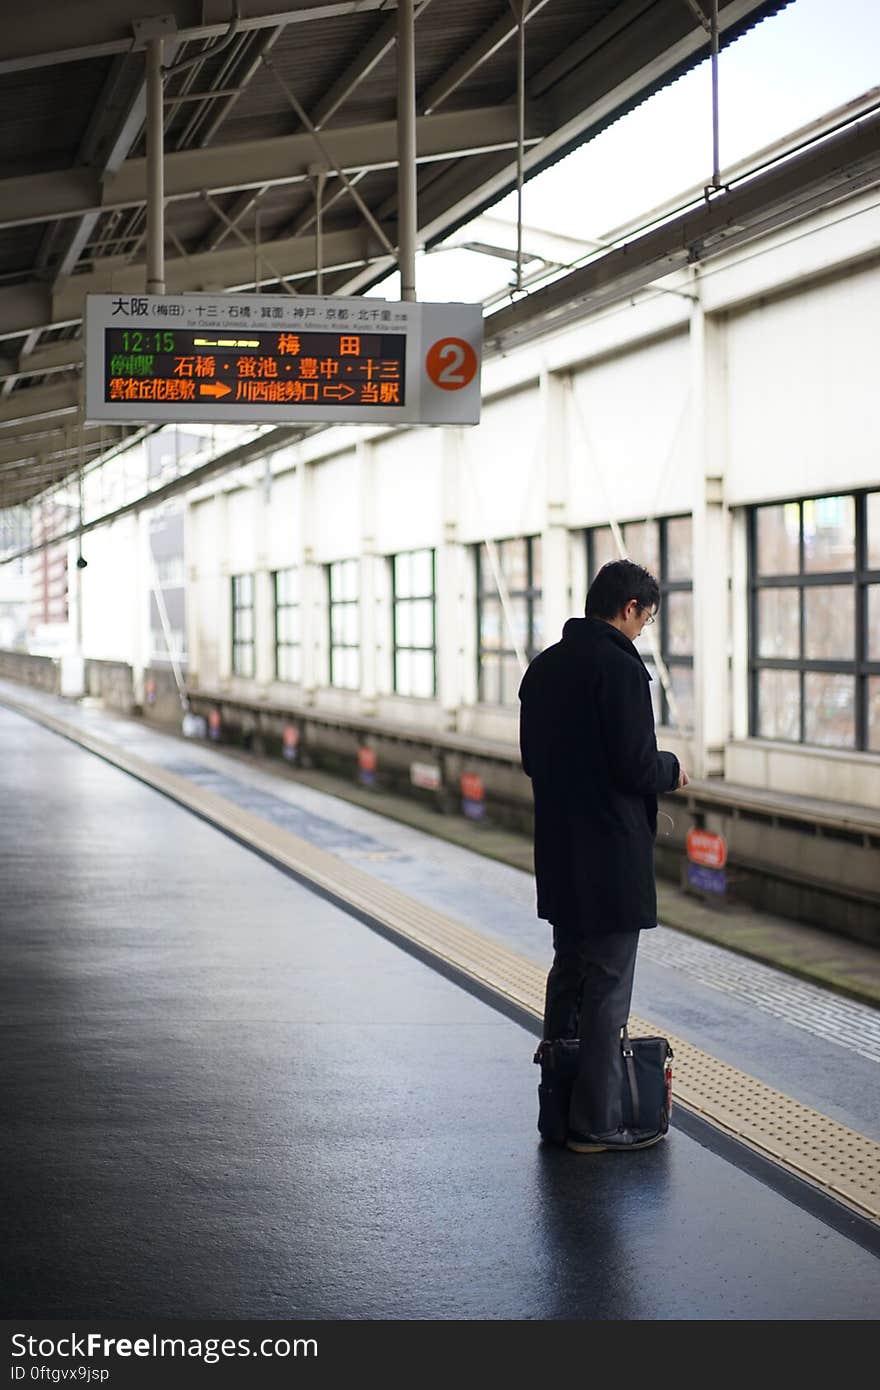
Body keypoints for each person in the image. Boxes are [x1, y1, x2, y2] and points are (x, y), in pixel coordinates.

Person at [518, 558, 689, 1153]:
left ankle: (559, 1110)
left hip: (561, 854)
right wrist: (672, 770)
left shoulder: (542, 670)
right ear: (628, 609)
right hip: (611, 859)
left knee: (569, 976)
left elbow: (532, 762)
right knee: (609, 991)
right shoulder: (619, 669)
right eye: (645, 618)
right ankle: (596, 1123)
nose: (643, 630)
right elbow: (636, 764)